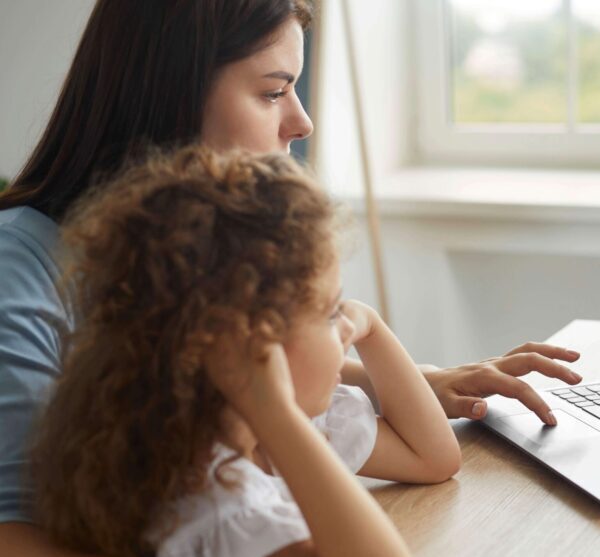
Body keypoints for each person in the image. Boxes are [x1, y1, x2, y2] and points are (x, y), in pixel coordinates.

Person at [0, 1, 580, 554]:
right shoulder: (17, 273)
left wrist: (403, 380)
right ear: (168, 93)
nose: (301, 122)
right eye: (273, 91)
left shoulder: (204, 299)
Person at [34, 146, 448, 556]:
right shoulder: (220, 510)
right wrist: (279, 417)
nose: (345, 328)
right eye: (329, 312)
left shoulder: (282, 431)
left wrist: (371, 326)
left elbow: (434, 459)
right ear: (255, 347)